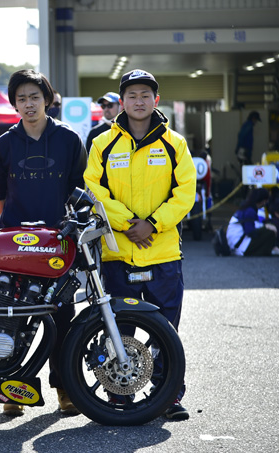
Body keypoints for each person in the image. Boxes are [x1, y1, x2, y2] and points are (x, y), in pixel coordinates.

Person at [84, 69, 196, 420]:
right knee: (118, 328)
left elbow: (186, 192)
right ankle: (119, 393)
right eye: (132, 95)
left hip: (162, 253)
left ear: (156, 100)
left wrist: (153, 224)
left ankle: (169, 396)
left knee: (166, 330)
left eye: (145, 95)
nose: (138, 101)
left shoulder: (174, 143)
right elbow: (93, 189)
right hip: (118, 251)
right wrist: (128, 223)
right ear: (122, 102)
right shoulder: (103, 143)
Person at [0, 69, 86, 418]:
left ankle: (65, 390)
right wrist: (15, 222)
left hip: (58, 245)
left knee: (61, 319)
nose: (28, 105)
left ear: (48, 99)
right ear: (14, 103)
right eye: (21, 99)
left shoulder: (69, 140)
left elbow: (78, 188)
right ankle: (12, 390)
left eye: (34, 97)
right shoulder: (3, 145)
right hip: (14, 247)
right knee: (11, 319)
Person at [226, 188, 279, 256]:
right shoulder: (250, 211)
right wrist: (265, 227)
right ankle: (272, 249)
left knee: (269, 228)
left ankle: (271, 248)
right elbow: (250, 232)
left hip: (235, 244)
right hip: (240, 245)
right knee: (270, 232)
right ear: (263, 200)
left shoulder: (246, 207)